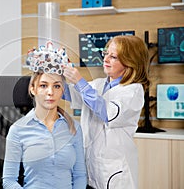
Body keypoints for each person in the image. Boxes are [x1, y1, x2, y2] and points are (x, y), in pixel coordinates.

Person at [63, 35, 150, 189]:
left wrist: (79, 82)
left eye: (114, 57)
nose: (106, 59)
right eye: (106, 54)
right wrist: (53, 68)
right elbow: (66, 93)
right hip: (91, 169)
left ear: (130, 62)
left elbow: (108, 113)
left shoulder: (133, 91)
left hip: (114, 172)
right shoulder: (97, 85)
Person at [2, 42, 87, 189]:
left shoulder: (74, 128)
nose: (50, 92)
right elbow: (9, 180)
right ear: (33, 89)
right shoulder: (18, 130)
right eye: (43, 85)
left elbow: (80, 176)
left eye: (56, 86)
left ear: (63, 91)